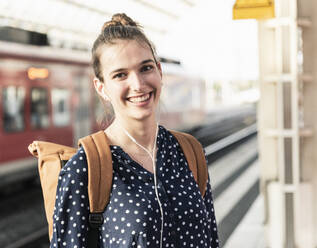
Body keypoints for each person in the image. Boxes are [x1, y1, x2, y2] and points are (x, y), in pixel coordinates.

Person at [50, 13, 220, 248]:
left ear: (159, 72)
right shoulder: (86, 168)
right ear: (101, 87)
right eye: (120, 75)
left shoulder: (189, 152)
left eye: (146, 68)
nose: (138, 84)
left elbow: (211, 239)